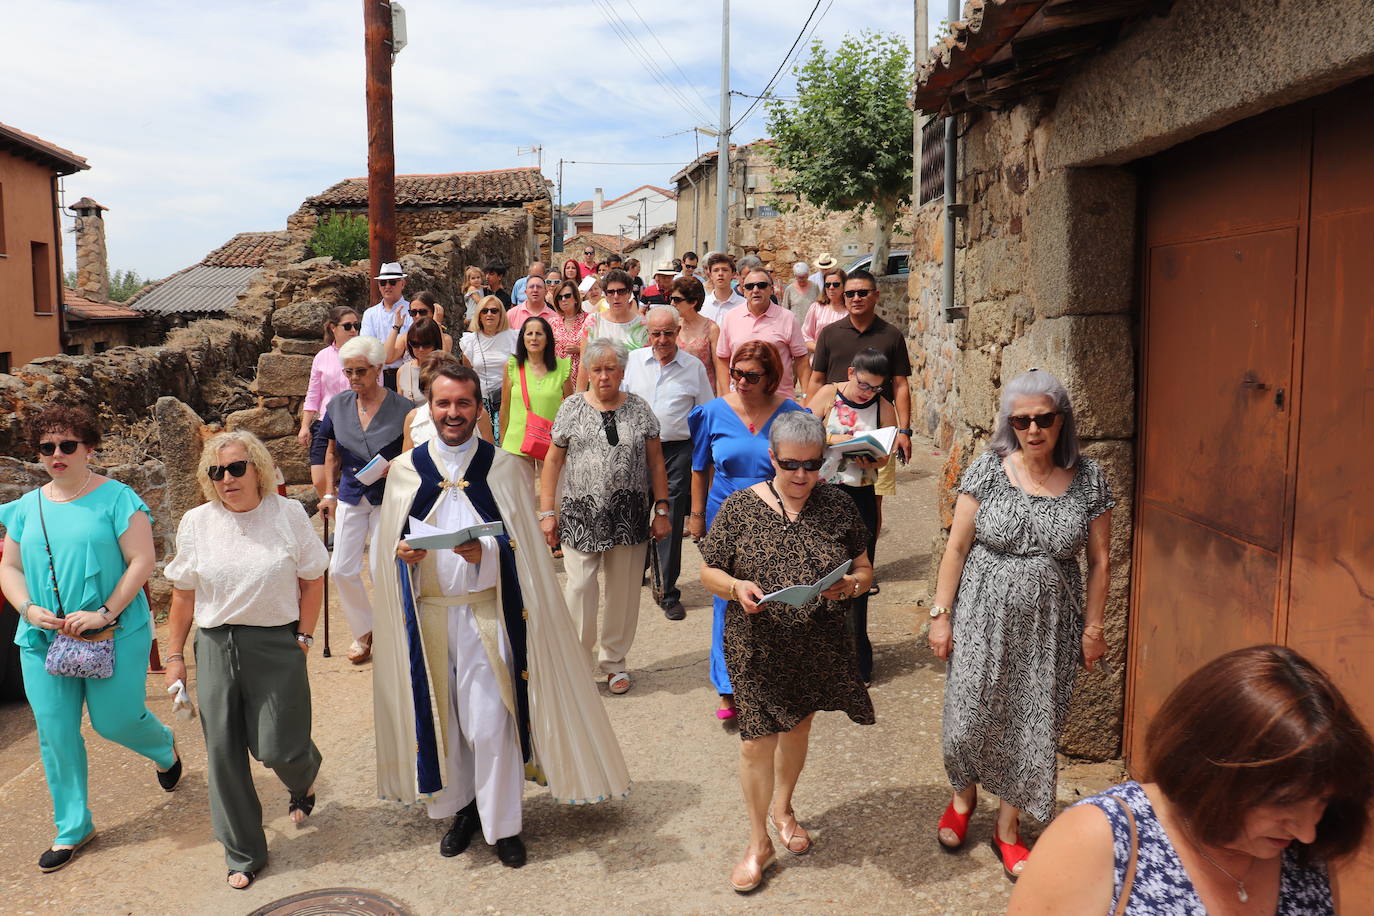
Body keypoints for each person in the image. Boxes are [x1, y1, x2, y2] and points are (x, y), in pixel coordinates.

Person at [371, 364, 632, 867]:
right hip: (429, 621)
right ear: (429, 406)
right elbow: (385, 552)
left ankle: (504, 825)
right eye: (443, 404)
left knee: (491, 724)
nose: (452, 413)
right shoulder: (405, 471)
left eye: (463, 404)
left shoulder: (504, 469)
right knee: (447, 723)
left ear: (477, 408)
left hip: (488, 616)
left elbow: (527, 557)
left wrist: (485, 555)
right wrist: (403, 556)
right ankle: (464, 811)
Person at [1009, 645, 1374, 915]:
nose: (1308, 831)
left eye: (1323, 802)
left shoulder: (1305, 851)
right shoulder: (1099, 839)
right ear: (1213, 773)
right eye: (1283, 802)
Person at [928, 368, 1112, 879]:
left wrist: (1093, 629)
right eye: (1022, 420)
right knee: (966, 719)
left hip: (1050, 624)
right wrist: (941, 616)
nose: (1033, 429)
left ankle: (1007, 828)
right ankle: (963, 797)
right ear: (1011, 424)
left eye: (1043, 419)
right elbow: (958, 547)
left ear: (1061, 422)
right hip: (982, 613)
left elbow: (1100, 561)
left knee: (1032, 724)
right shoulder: (987, 469)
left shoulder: (1089, 479)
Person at [698, 410, 875, 893]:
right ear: (772, 458)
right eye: (791, 464)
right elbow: (707, 572)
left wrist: (850, 588)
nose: (801, 476)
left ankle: (784, 807)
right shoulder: (739, 507)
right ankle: (759, 843)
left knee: (798, 726)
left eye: (813, 465)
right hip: (755, 644)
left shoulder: (838, 506)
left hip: (815, 641)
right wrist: (736, 587)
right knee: (756, 741)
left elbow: (864, 569)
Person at [0, 405, 180, 874]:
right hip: (43, 638)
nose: (56, 455)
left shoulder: (117, 498)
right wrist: (27, 608)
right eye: (47, 447)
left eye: (67, 445)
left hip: (113, 629)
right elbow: (11, 567)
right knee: (56, 733)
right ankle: (73, 826)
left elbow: (142, 559)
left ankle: (162, 746)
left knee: (113, 721)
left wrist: (103, 612)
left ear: (89, 447)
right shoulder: (26, 507)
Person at [162, 431, 328, 890]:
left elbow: (312, 579)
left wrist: (305, 637)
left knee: (279, 746)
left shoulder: (288, 513)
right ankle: (244, 852)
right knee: (223, 753)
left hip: (276, 642)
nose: (227, 479)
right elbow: (182, 594)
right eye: (216, 472)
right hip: (216, 645)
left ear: (256, 467)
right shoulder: (197, 522)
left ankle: (303, 776)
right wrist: (175, 656)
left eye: (236, 468)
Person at [539, 339, 671, 695]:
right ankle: (578, 664)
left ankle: (614, 663)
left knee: (623, 593)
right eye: (596, 369)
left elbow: (657, 462)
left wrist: (662, 508)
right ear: (588, 372)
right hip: (580, 515)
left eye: (610, 369)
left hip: (629, 515)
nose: (603, 376)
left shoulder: (640, 409)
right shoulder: (570, 408)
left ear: (622, 371)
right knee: (579, 589)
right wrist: (547, 511)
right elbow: (553, 461)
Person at [688, 342, 807, 719]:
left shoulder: (790, 413)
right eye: (736, 373)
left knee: (772, 596)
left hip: (774, 512)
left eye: (751, 375)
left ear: (771, 377)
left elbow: (800, 467)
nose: (740, 381)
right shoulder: (712, 412)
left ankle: (771, 678)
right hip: (723, 512)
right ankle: (727, 686)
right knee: (727, 597)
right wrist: (695, 515)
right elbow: (699, 467)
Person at [310, 335, 413, 665]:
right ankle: (365, 631)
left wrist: (397, 467)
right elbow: (329, 450)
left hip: (388, 496)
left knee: (382, 567)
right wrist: (328, 492)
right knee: (340, 568)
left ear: (379, 369)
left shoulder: (404, 407)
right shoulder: (337, 405)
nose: (354, 378)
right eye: (349, 372)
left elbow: (414, 453)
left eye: (361, 371)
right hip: (352, 494)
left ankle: (392, 629)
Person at [808, 269, 915, 550]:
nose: (856, 298)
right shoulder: (830, 334)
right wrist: (808, 422)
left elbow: (901, 385)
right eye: (850, 293)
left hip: (876, 424)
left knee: (871, 499)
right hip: (835, 422)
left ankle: (866, 565)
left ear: (875, 295)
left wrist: (903, 430)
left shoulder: (891, 335)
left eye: (862, 293)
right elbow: (816, 379)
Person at [807, 349, 897, 685]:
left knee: (859, 577)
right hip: (823, 496)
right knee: (821, 574)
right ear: (850, 372)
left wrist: (875, 458)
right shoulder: (829, 394)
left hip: (860, 497)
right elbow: (803, 432)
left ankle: (858, 660)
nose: (867, 393)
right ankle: (820, 657)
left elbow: (885, 456)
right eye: (863, 385)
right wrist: (837, 439)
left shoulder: (883, 407)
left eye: (875, 388)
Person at [622, 307, 714, 621]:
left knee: (670, 519)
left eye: (668, 333)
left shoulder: (693, 367)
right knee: (635, 513)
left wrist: (702, 460)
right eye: (656, 333)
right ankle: (637, 571)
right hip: (637, 449)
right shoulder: (633, 362)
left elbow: (704, 414)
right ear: (647, 334)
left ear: (678, 332)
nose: (662, 340)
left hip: (677, 451)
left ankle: (667, 592)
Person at [715, 266, 809, 398]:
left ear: (771, 289)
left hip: (778, 401)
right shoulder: (731, 317)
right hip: (740, 400)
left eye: (761, 285)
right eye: (749, 286)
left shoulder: (787, 318)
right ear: (743, 290)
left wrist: (806, 397)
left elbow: (801, 359)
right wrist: (726, 395)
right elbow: (723, 358)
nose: (755, 290)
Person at [499, 316, 573, 461]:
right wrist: (502, 441)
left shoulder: (562, 367)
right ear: (523, 338)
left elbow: (571, 408)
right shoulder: (512, 365)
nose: (534, 338)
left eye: (539, 334)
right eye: (529, 333)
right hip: (515, 445)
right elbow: (505, 406)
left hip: (551, 447)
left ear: (547, 338)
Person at [297, 306, 360, 448]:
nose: (353, 330)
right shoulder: (321, 357)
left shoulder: (366, 356)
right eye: (347, 326)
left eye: (356, 325)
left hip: (357, 423)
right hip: (325, 422)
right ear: (333, 327)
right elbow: (313, 394)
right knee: (319, 468)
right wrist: (305, 426)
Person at [403, 353, 494, 450]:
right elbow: (406, 461)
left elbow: (490, 456)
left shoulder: (479, 416)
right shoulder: (414, 419)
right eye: (429, 390)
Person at [460, 295, 518, 445]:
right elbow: (467, 374)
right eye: (484, 311)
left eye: (494, 311)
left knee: (506, 444)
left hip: (508, 400)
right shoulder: (470, 341)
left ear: (501, 314)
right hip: (481, 401)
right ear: (479, 315)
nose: (489, 314)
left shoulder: (513, 337)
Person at [576, 269, 647, 390]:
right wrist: (579, 399)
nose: (616, 296)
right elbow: (584, 364)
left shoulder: (642, 326)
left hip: (632, 394)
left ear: (629, 293)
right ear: (605, 295)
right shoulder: (593, 322)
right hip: (598, 394)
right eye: (611, 292)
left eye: (621, 291)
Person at [360, 262, 413, 390]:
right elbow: (367, 348)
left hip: (406, 374)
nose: (387, 286)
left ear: (402, 284)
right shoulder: (370, 314)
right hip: (377, 377)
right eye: (383, 283)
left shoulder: (413, 310)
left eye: (392, 282)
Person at [668, 276, 721, 395]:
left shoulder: (712, 329)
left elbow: (719, 369)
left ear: (693, 302)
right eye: (671, 298)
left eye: (677, 299)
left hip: (704, 393)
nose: (672, 303)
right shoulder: (672, 325)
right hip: (677, 392)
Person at [549, 280, 590, 386]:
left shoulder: (589, 320)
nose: (563, 300)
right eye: (559, 297)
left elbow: (599, 349)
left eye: (567, 296)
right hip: (558, 379)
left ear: (576, 298)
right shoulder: (553, 323)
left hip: (583, 377)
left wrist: (580, 349)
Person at [802, 265, 849, 355]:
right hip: (820, 360)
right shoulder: (816, 308)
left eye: (836, 284)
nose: (831, 288)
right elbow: (805, 336)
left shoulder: (850, 310)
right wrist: (822, 351)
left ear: (844, 286)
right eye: (827, 285)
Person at [397, 317, 444, 405]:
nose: (421, 349)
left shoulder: (446, 370)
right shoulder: (403, 371)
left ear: (435, 343)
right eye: (415, 344)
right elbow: (400, 408)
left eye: (426, 344)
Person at [701, 252, 745, 326]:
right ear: (710, 275)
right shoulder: (702, 305)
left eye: (725, 270)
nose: (720, 273)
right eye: (716, 270)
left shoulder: (744, 305)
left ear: (733, 274)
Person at [781, 261, 817, 328]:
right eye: (799, 278)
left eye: (803, 277)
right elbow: (784, 311)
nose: (801, 280)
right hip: (795, 329)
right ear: (795, 276)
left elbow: (819, 307)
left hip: (812, 328)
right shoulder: (789, 289)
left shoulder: (815, 287)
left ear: (807, 275)